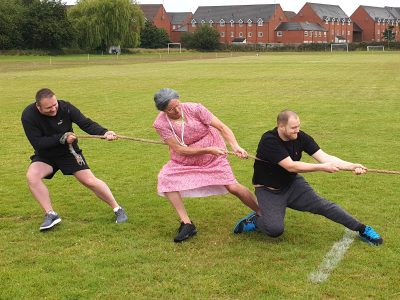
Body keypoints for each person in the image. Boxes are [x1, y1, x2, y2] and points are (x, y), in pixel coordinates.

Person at [233, 110, 383, 246]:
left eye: (298, 126)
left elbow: (325, 157)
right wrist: (322, 168)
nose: (297, 130)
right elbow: (291, 166)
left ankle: (362, 229)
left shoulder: (300, 137)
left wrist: (352, 165)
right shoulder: (269, 140)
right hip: (269, 191)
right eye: (293, 128)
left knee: (323, 205)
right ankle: (256, 220)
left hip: (292, 184)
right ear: (280, 126)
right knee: (274, 229)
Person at [152, 88, 260, 243]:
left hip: (214, 154)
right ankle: (187, 224)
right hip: (187, 158)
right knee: (166, 178)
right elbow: (179, 149)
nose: (177, 110)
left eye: (178, 105)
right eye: (171, 109)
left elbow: (222, 127)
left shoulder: (195, 108)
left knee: (232, 187)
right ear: (163, 111)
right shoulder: (160, 123)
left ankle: (261, 212)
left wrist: (235, 146)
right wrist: (207, 150)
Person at [21, 88, 128, 231]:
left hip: (69, 153)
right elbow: (38, 143)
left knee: (89, 181)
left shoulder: (65, 107)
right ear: (38, 106)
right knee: (32, 176)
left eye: (55, 105)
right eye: (48, 108)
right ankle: (50, 214)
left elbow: (86, 123)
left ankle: (118, 209)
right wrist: (62, 138)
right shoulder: (28, 115)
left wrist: (104, 132)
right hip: (45, 155)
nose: (53, 109)